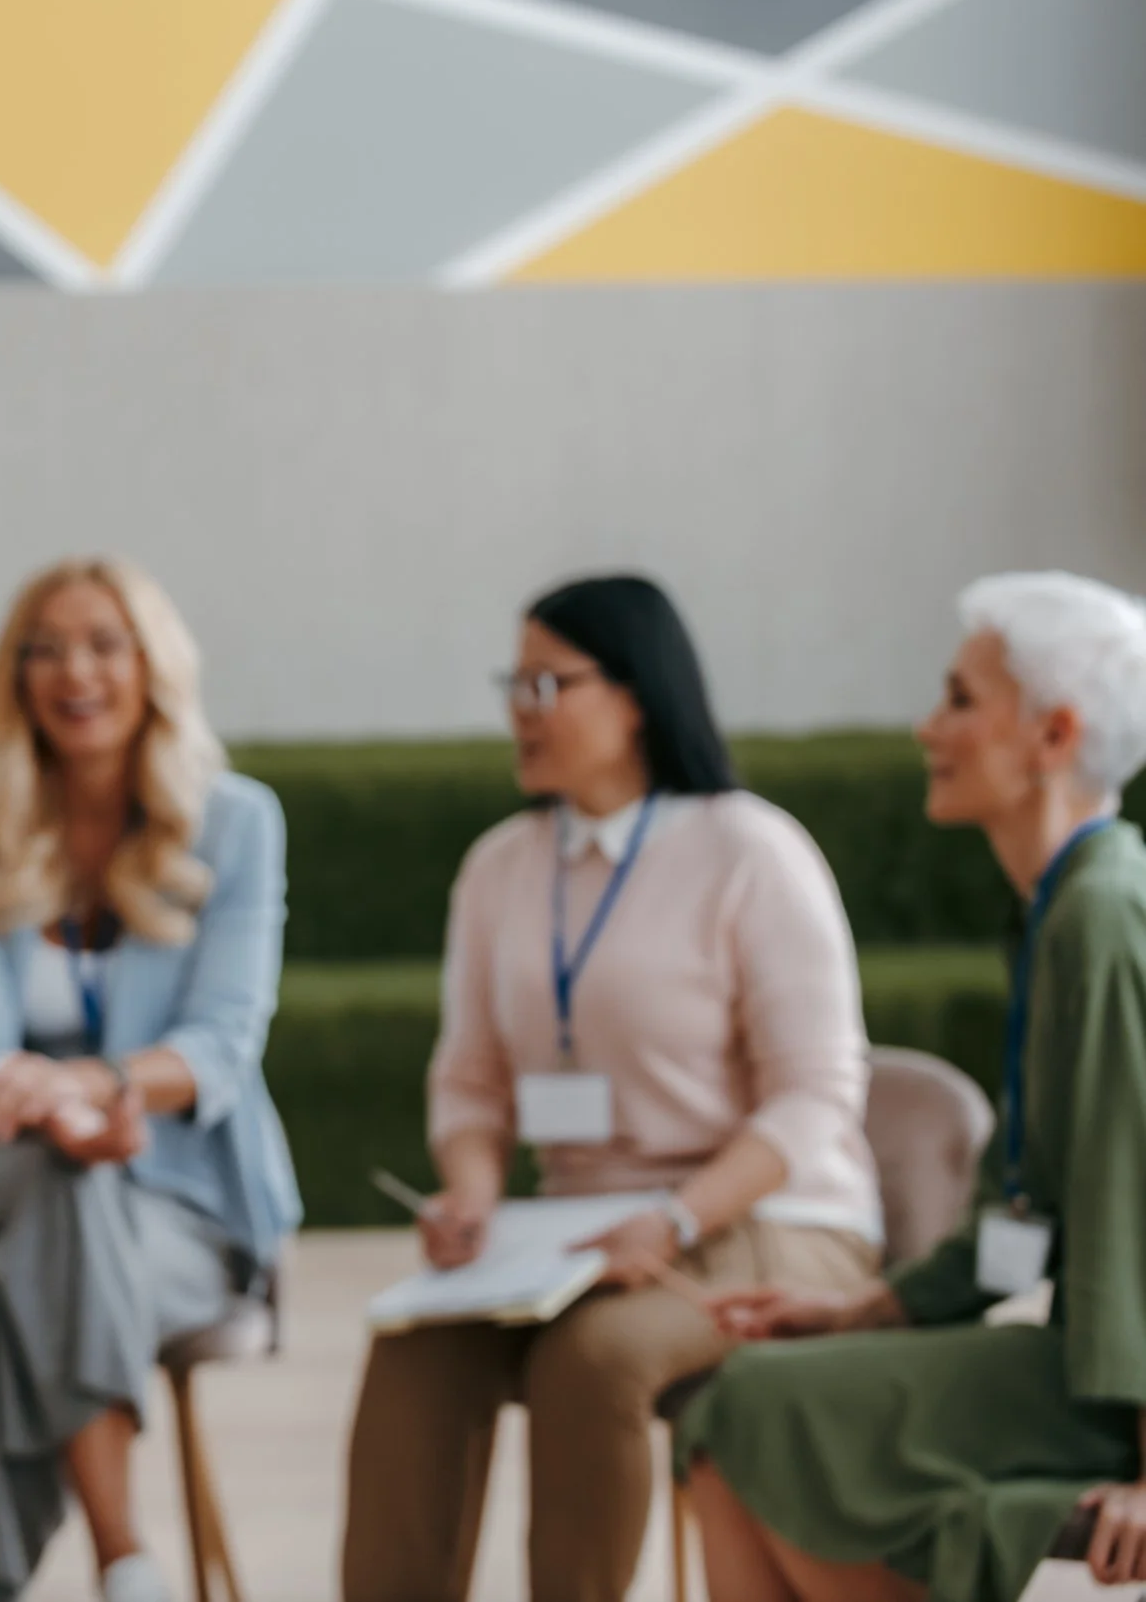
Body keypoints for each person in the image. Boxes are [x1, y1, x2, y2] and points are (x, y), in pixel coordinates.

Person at [340, 574, 882, 1602]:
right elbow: (469, 1080)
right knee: (415, 1350)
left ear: (635, 694)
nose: (519, 707)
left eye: (548, 683)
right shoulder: (500, 866)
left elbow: (816, 1095)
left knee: (593, 1360)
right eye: (515, 681)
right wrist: (470, 1191)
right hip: (574, 1234)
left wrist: (672, 1217)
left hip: (765, 1213)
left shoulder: (749, 848)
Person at [0, 557, 300, 1602]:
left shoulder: (236, 821)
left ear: (152, 666)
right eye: (42, 648)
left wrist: (90, 1087)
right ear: (15, 677)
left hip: (185, 1204)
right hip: (14, 1165)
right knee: (61, 1180)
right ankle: (122, 1556)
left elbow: (222, 1042)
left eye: (101, 642)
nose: (70, 670)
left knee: (15, 1275)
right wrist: (57, 1106)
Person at [679, 571, 1146, 1602]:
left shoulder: (1100, 916)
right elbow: (1029, 1204)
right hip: (1082, 1365)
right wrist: (868, 1308)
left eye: (959, 699)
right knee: (727, 1424)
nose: (925, 725)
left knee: (757, 1408)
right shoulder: (1063, 905)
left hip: (1111, 1387)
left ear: (1053, 733)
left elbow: (1131, 1209)